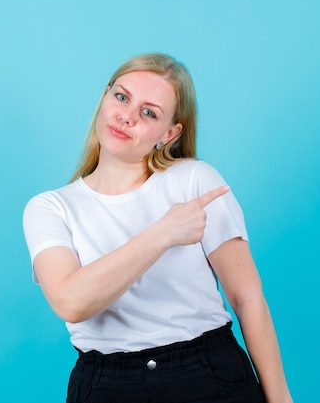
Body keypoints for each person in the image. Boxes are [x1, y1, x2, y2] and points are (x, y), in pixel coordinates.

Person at [23, 53, 293, 403]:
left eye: (148, 112)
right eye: (121, 97)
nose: (126, 117)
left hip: (209, 374)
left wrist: (281, 398)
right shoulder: (50, 208)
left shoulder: (195, 181)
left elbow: (247, 298)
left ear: (170, 132)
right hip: (107, 386)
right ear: (105, 97)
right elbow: (72, 302)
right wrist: (164, 233)